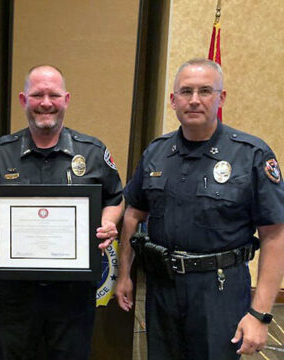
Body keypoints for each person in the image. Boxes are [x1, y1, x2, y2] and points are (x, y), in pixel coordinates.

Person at [116, 58, 284, 359]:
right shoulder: (156, 151)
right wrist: (124, 275)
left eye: (205, 91)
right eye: (186, 91)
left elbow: (275, 236)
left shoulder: (251, 155)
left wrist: (260, 315)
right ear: (173, 100)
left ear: (221, 98)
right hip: (162, 288)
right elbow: (133, 213)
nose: (194, 100)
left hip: (219, 290)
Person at [0, 65, 123, 359]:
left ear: (66, 99)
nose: (45, 102)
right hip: (15, 292)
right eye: (37, 94)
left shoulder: (92, 152)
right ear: (23, 100)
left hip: (72, 292)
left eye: (53, 94)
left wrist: (107, 222)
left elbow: (115, 197)